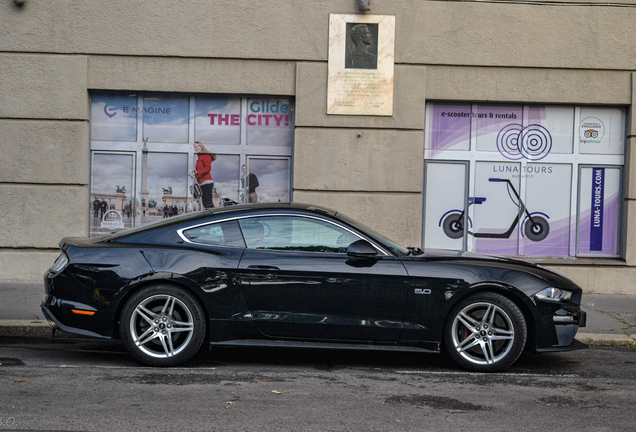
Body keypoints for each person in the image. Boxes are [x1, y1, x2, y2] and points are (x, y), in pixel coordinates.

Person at [193, 141, 216, 209]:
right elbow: (200, 171)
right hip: (202, 183)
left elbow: (208, 168)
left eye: (198, 146)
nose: (196, 148)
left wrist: (197, 172)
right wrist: (194, 173)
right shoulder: (200, 158)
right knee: (206, 204)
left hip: (206, 182)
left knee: (208, 204)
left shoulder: (205, 156)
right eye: (195, 147)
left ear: (202, 147)